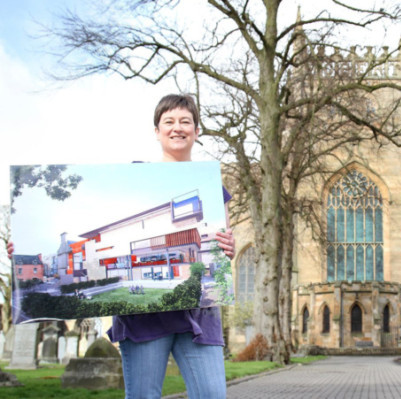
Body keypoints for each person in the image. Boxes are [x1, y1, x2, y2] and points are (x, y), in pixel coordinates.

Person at [8, 94, 235, 399]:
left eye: (186, 121)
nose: (177, 127)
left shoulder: (213, 188)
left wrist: (227, 248)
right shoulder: (136, 175)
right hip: (144, 321)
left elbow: (222, 246)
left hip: (198, 317)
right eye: (169, 121)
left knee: (212, 395)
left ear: (196, 130)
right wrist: (22, 246)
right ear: (157, 131)